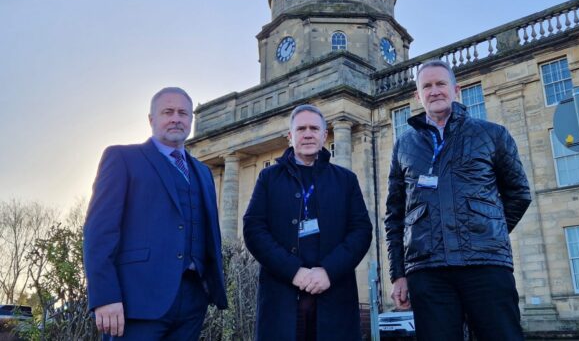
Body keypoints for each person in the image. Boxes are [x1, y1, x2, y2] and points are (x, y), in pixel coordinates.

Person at [384, 60, 532, 341]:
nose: (434, 91)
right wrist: (398, 275)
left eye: (441, 84)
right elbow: (395, 216)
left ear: (456, 89)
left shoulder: (492, 134)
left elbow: (519, 194)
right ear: (418, 95)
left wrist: (487, 230)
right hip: (428, 272)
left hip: (485, 265)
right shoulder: (404, 145)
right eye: (426, 86)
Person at [83, 87, 227, 340]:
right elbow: (99, 232)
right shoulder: (122, 158)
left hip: (192, 300)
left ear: (191, 120)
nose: (176, 118)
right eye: (167, 112)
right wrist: (105, 296)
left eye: (183, 113)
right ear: (151, 120)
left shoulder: (203, 171)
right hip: (135, 301)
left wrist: (208, 288)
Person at [243, 104, 372, 341]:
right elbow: (254, 229)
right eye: (301, 129)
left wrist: (328, 271)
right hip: (282, 296)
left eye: (314, 128)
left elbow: (361, 231)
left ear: (324, 135)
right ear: (290, 136)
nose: (308, 134)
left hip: (334, 296)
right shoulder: (268, 178)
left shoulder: (346, 179)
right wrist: (294, 271)